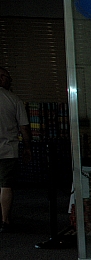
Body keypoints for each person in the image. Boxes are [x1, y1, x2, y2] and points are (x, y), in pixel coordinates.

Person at [0, 66, 30, 231]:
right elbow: (24, 127)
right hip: (7, 150)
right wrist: (27, 148)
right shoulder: (14, 99)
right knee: (6, 185)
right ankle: (5, 220)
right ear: (3, 78)